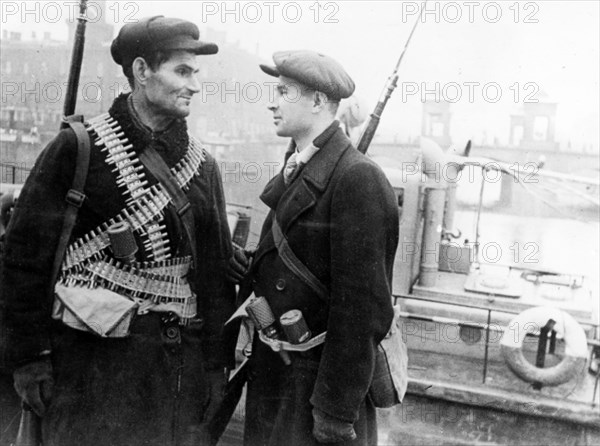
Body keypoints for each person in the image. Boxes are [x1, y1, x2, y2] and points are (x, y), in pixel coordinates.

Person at [0, 16, 237, 446]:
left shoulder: (203, 168)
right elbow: (23, 261)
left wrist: (215, 366)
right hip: (86, 368)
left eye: (195, 73)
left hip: (171, 374)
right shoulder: (77, 148)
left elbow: (215, 280)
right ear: (142, 71)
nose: (194, 86)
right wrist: (29, 358)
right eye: (181, 72)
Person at [233, 50, 400, 445]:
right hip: (278, 376)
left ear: (318, 102)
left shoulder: (358, 178)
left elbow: (362, 308)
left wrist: (334, 412)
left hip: (315, 392)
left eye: (284, 91)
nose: (272, 102)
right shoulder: (299, 164)